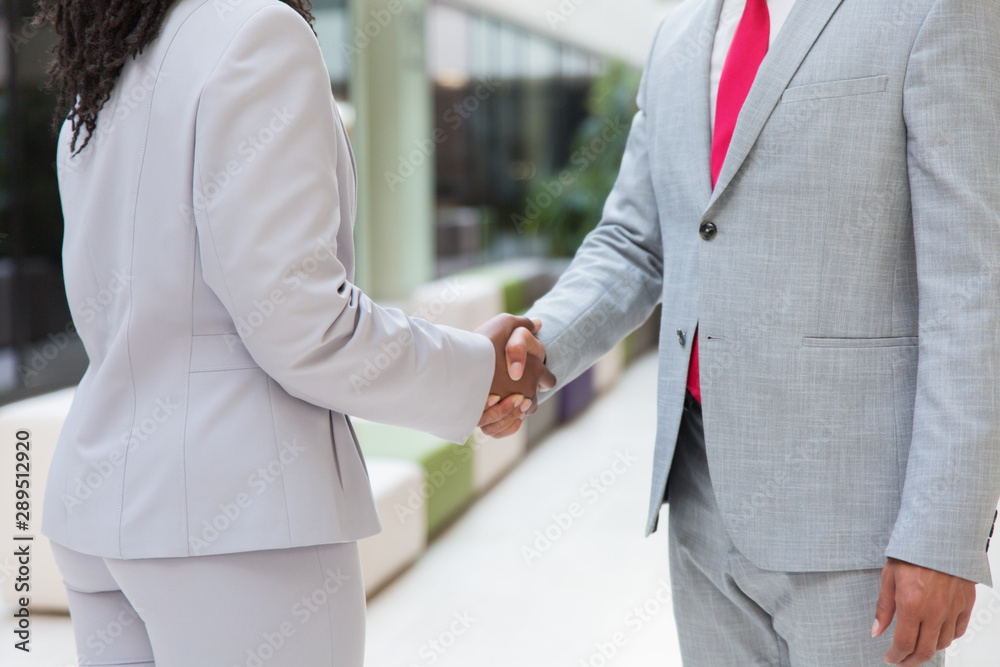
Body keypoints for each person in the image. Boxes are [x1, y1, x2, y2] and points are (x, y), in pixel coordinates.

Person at [35, 0, 552, 665]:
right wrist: (480, 370)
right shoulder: (258, 32)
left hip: (102, 509)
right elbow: (300, 322)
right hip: (238, 525)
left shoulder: (107, 60)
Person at [486, 0, 1000, 664]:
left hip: (859, 526)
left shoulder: (931, 10)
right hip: (700, 500)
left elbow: (973, 284)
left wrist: (943, 531)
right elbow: (634, 243)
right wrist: (541, 340)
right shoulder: (677, 38)